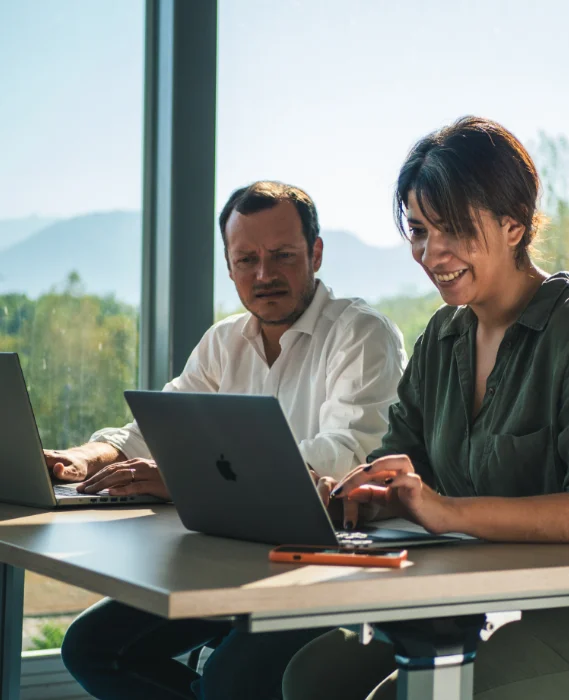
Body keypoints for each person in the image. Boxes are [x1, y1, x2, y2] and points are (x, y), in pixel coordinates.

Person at [52, 181, 407, 700]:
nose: (264, 275)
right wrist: (80, 459)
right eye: (246, 259)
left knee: (228, 683)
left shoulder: (362, 333)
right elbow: (157, 429)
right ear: (229, 264)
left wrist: (182, 478)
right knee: (91, 648)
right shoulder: (223, 341)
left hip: (325, 572)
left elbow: (345, 459)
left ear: (316, 253)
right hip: (231, 562)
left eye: (282, 256)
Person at [282, 117, 569, 700]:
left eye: (454, 230)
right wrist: (355, 494)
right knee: (309, 679)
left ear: (514, 225)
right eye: (418, 230)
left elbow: (443, 508)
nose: (431, 253)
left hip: (556, 611)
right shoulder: (442, 337)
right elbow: (398, 464)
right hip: (469, 597)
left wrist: (447, 512)